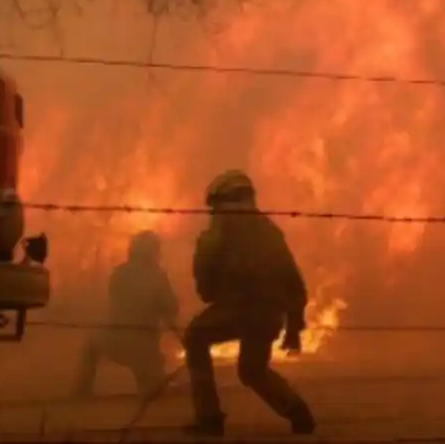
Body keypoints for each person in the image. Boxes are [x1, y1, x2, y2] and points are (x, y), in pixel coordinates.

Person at [182, 169, 315, 437]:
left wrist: (211, 293)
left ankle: (209, 418)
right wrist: (293, 326)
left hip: (237, 309)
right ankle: (298, 413)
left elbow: (205, 273)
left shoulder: (220, 229)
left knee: (195, 337)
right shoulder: (269, 230)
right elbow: (294, 283)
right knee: (252, 370)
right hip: (269, 315)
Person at [73, 230, 179, 400]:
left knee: (91, 347)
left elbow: (114, 301)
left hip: (114, 341)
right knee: (154, 392)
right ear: (154, 253)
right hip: (144, 347)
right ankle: (155, 382)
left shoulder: (119, 273)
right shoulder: (157, 276)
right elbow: (171, 310)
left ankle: (81, 392)